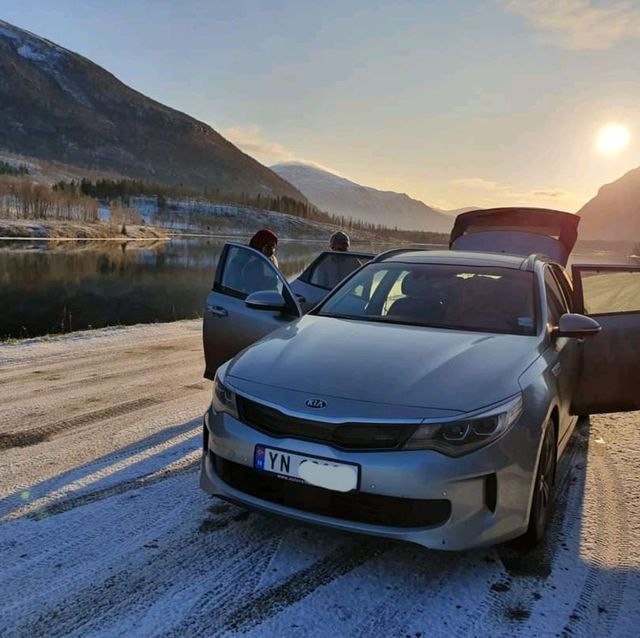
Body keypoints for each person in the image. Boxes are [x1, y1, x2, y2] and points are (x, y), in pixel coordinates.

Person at [242, 228, 280, 293]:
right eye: (269, 247)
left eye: (274, 247)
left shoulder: (272, 259)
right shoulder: (248, 262)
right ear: (259, 245)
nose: (272, 251)